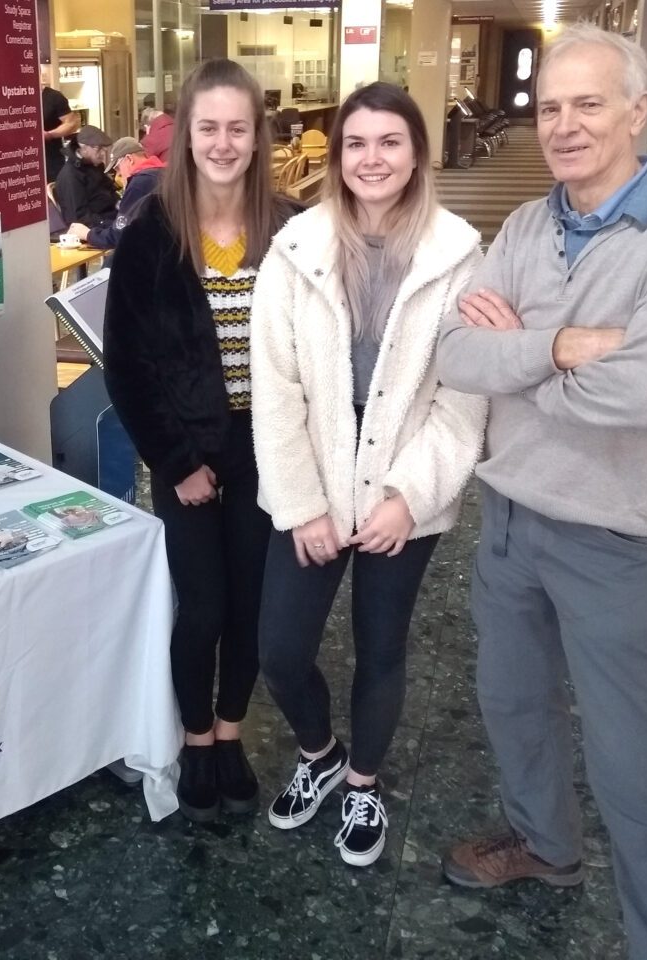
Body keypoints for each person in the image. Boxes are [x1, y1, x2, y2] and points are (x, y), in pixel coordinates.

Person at [434, 25, 647, 960]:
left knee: (633, 760)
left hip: (616, 538)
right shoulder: (527, 225)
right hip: (512, 519)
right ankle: (544, 846)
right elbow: (455, 353)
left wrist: (517, 348)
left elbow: (642, 393)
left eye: (589, 103)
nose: (564, 125)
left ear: (637, 111)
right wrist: (567, 344)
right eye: (551, 106)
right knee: (513, 706)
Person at [250, 82, 486, 865]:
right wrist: (300, 504)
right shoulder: (296, 247)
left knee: (382, 644)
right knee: (281, 648)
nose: (372, 158)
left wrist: (407, 496)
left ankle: (362, 783)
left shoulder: (458, 252)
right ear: (337, 153)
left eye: (390, 141)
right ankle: (317, 756)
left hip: (401, 493)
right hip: (311, 485)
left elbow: (464, 395)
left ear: (417, 152)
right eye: (356, 143)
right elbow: (275, 389)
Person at [103, 58, 294, 823]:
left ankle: (230, 733)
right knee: (205, 607)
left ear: (257, 137)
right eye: (207, 128)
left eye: (236, 129)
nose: (222, 143)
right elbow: (128, 363)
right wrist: (177, 462)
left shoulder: (286, 227)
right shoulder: (153, 230)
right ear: (185, 135)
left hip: (267, 451)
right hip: (186, 454)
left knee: (251, 607)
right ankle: (192, 738)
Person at [67, 136, 165, 250]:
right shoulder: (164, 174)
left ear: (129, 159)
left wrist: (87, 234)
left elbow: (119, 236)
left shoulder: (139, 184)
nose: (118, 175)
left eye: (118, 168)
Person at [53, 125, 118, 231]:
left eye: (104, 148)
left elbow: (111, 192)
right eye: (98, 148)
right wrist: (108, 224)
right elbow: (79, 217)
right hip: (96, 226)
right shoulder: (70, 176)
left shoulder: (94, 166)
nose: (103, 152)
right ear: (83, 148)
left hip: (109, 218)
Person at [42, 65, 80, 183]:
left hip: (51, 162)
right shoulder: (18, 97)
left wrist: (50, 134)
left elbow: (72, 123)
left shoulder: (53, 97)